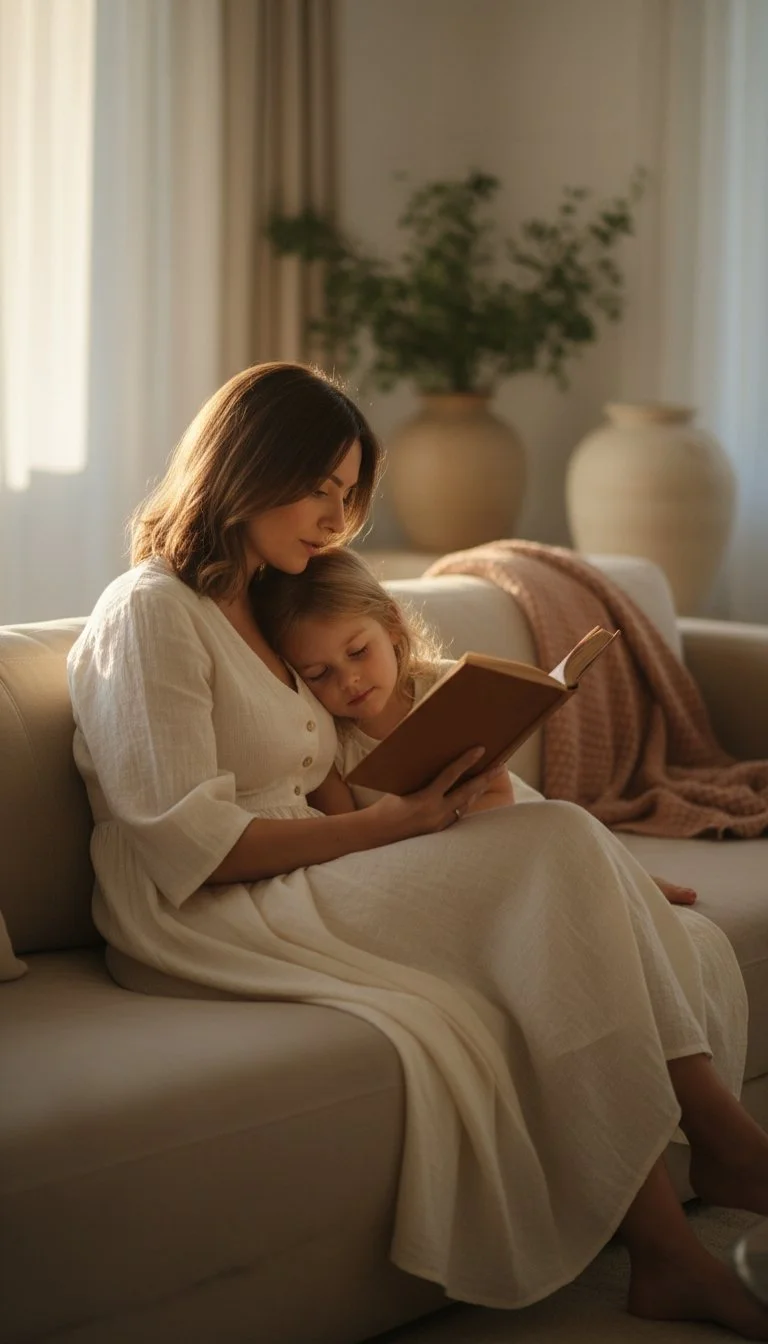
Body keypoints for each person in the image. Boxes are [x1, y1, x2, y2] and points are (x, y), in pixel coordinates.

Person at [66, 362, 768, 1338]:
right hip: (207, 907)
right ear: (247, 468)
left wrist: (433, 783)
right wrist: (387, 828)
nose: (336, 517)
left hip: (319, 856)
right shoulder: (147, 613)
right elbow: (187, 845)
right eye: (321, 487)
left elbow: (335, 766)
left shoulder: (272, 605)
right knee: (558, 849)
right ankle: (722, 1157)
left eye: (349, 495)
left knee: (550, 854)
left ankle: (675, 1234)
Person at [256, 545, 699, 903]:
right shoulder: (327, 742)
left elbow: (501, 797)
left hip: (504, 817)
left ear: (391, 625)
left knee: (568, 832)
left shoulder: (449, 686)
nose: (348, 680)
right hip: (424, 857)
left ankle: (628, 879)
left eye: (357, 652)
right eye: (318, 674)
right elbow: (347, 840)